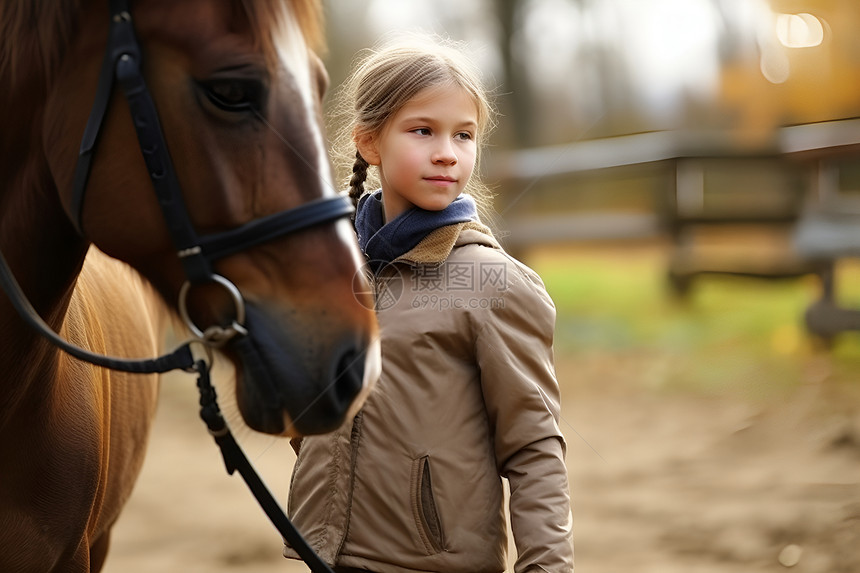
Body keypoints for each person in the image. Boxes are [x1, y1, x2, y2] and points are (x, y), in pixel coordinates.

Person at [284, 34, 574, 573]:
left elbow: (534, 449)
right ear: (369, 142)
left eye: (464, 135)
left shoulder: (494, 285)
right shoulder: (333, 269)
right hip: (329, 556)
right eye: (423, 131)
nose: (447, 151)